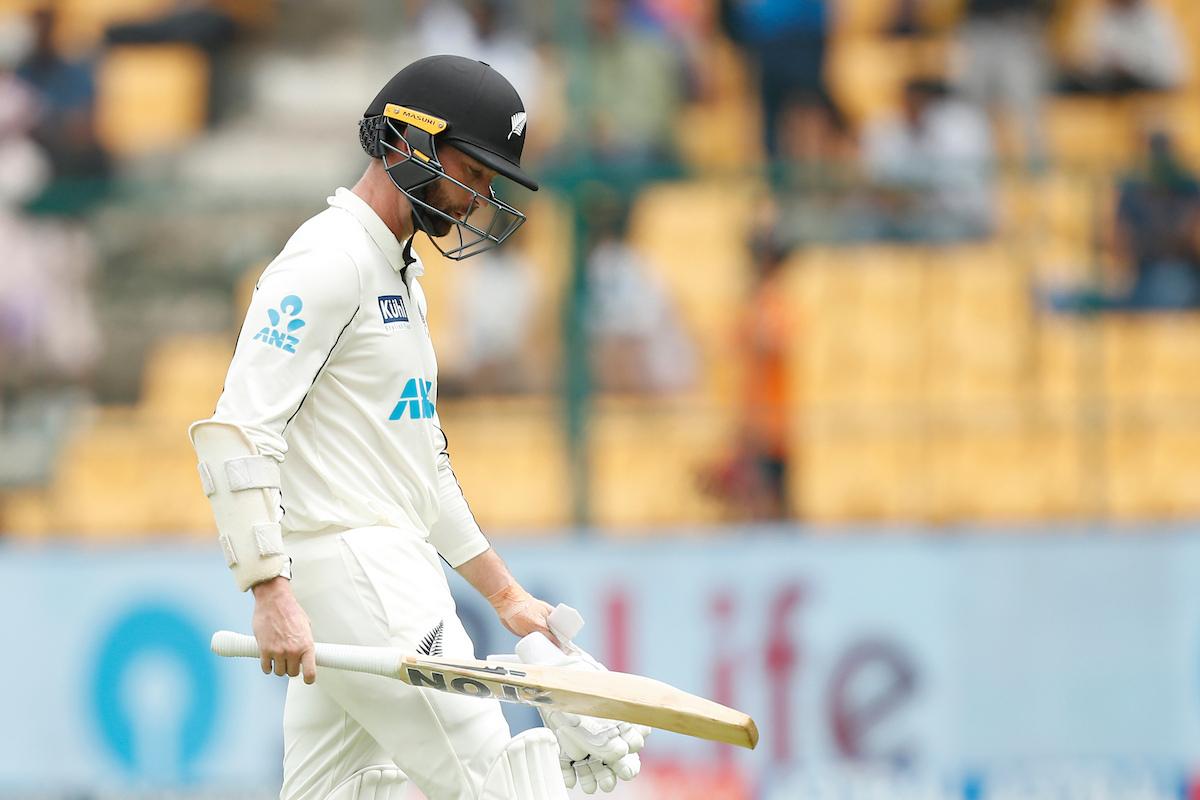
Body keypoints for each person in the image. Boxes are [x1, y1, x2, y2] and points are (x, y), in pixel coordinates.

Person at [189, 56, 647, 800]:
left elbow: (423, 464)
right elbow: (238, 427)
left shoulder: (399, 275)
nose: (478, 198)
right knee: (498, 785)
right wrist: (268, 589)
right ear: (407, 141)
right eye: (471, 169)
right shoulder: (329, 260)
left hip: (376, 568)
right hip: (359, 569)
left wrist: (507, 598)